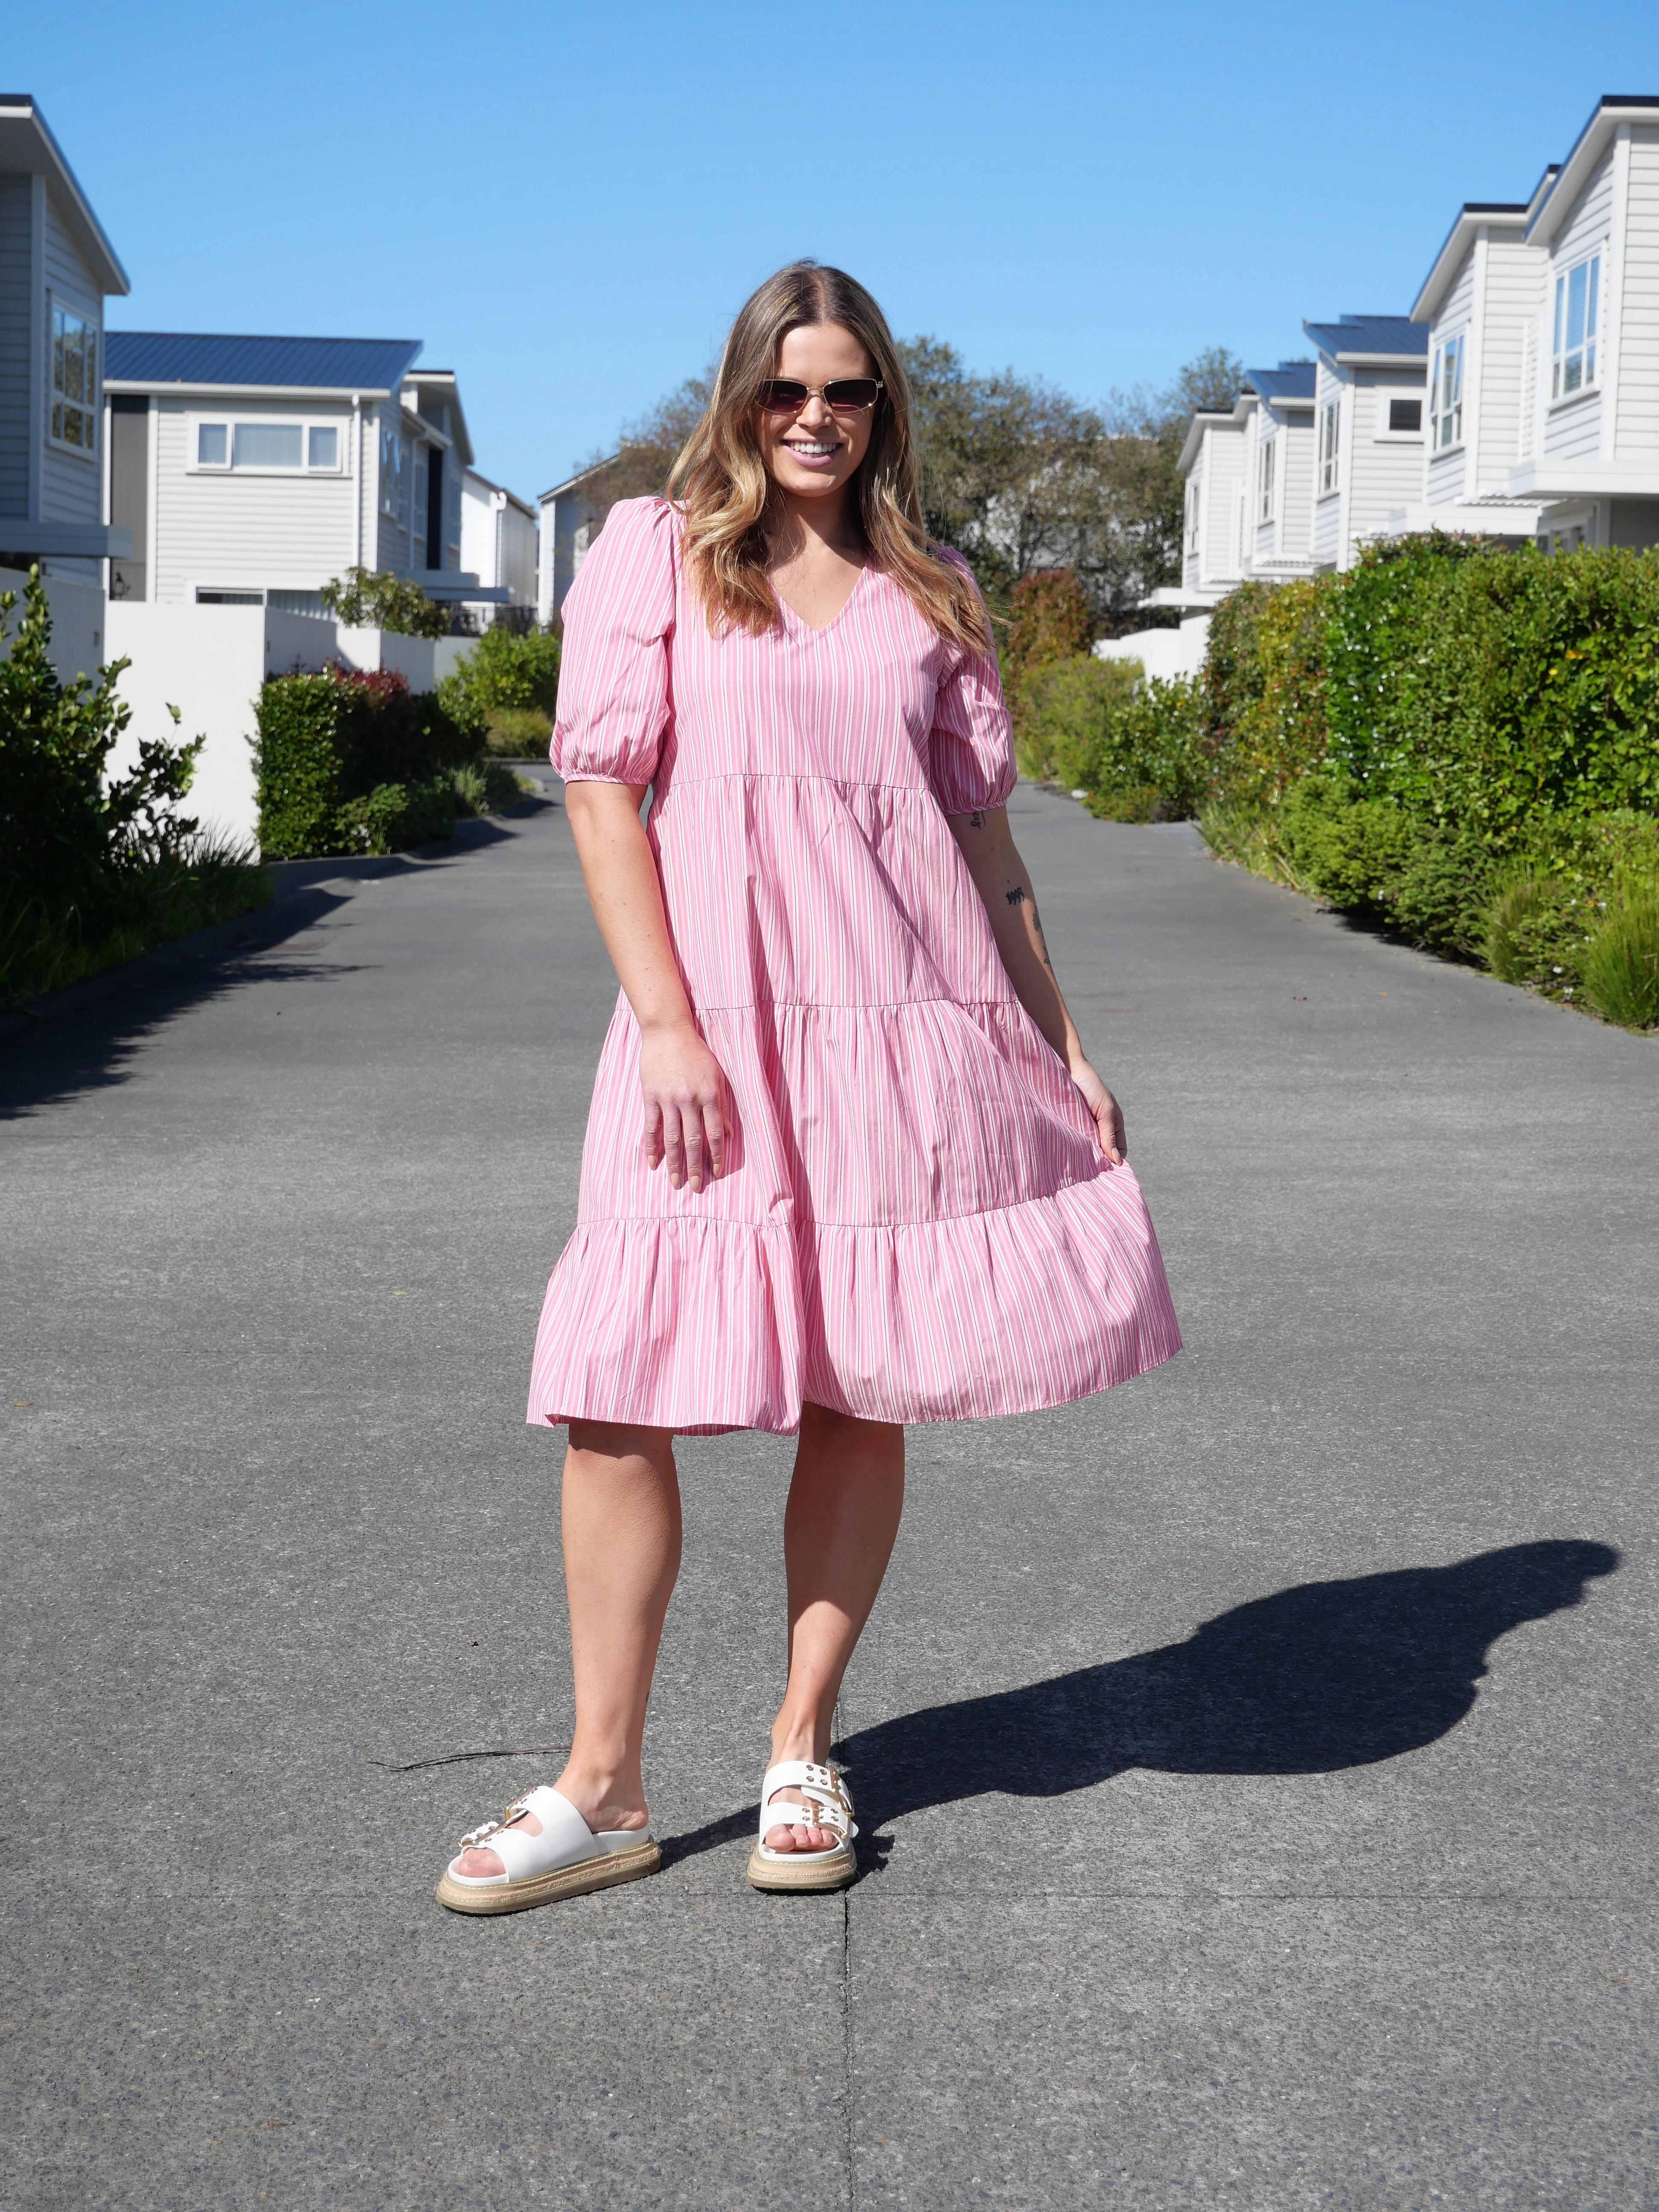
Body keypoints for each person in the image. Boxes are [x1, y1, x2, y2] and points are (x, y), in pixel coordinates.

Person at [436, 263, 1181, 1915]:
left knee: (860, 1377)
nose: (816, 418)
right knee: (615, 1388)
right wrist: (665, 1022)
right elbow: (600, 793)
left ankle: (799, 1745)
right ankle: (603, 1784)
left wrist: (1062, 1041)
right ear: (741, 400)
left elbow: (986, 847)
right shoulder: (657, 551)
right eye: (786, 390)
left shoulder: (935, 590)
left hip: (902, 1031)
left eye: (846, 391)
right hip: (701, 1038)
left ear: (883, 407)